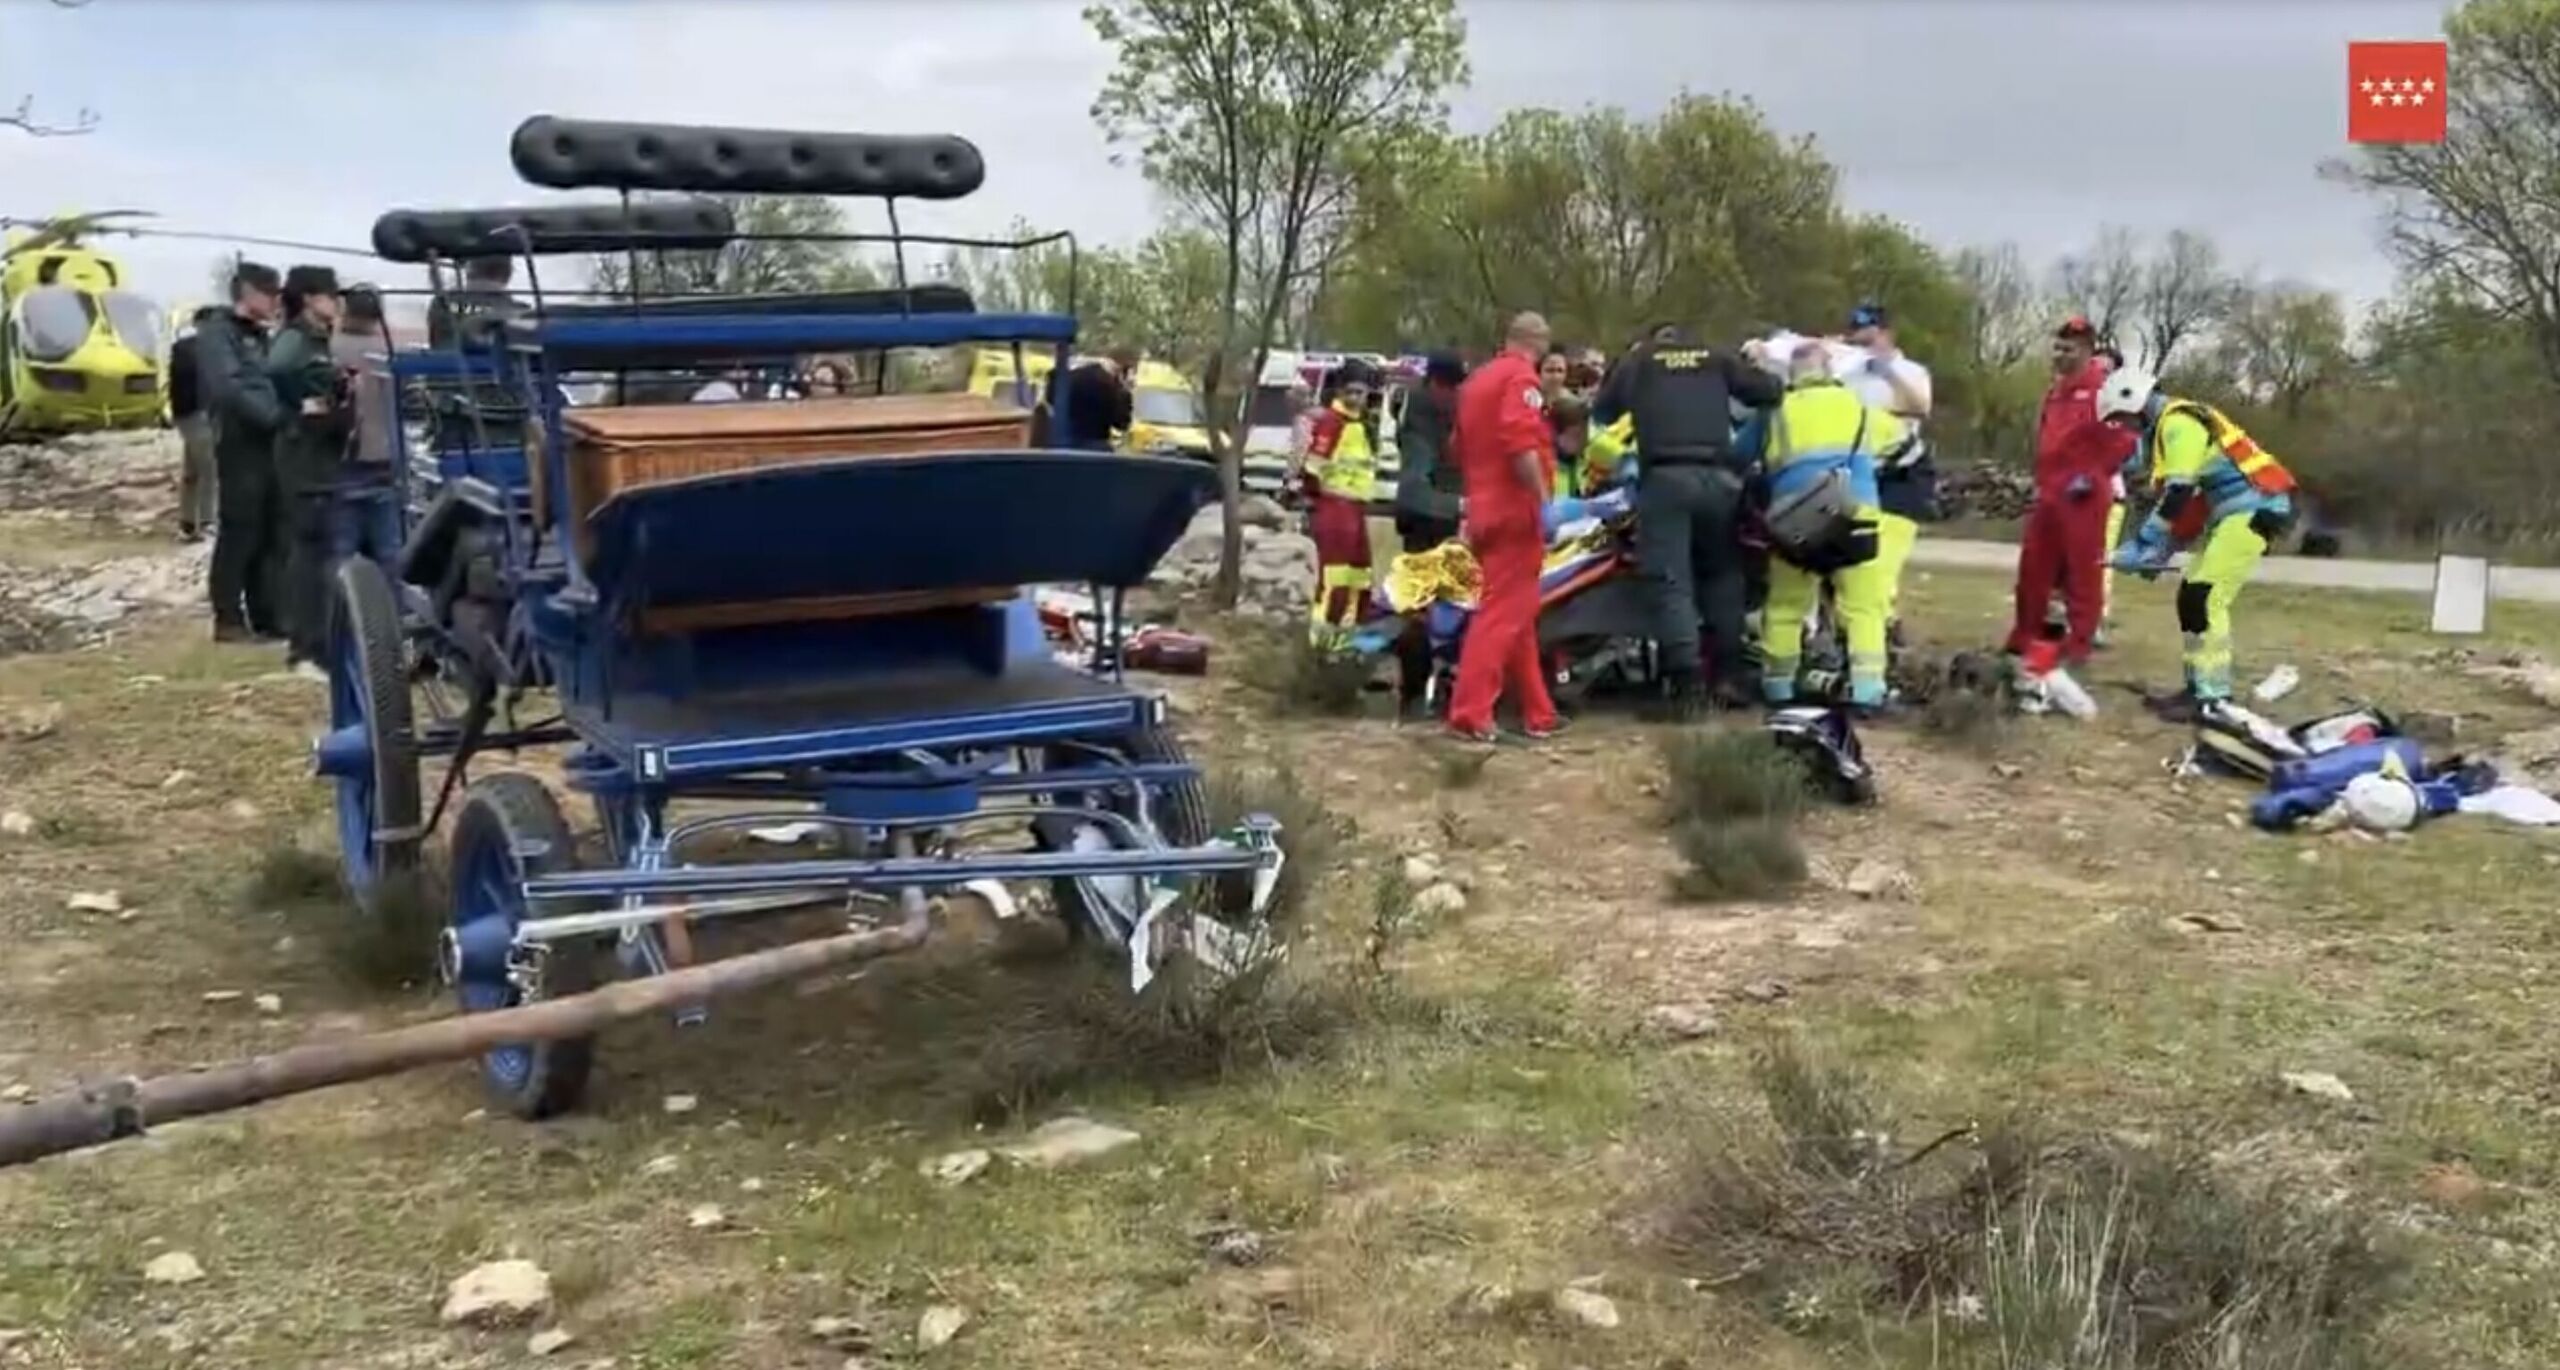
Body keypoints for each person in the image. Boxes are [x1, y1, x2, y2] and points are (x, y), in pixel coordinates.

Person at [1589, 323, 1785, 718]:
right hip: (1719, 480)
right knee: (1722, 575)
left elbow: (1604, 409)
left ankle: (1686, 688)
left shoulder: (1640, 360)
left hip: (1666, 480)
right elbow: (1769, 392)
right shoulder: (1715, 356)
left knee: (1670, 580)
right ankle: (1729, 677)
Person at [2099, 367, 2298, 716]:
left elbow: (2179, 492)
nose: (2126, 431)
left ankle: (2213, 697)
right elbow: (2191, 509)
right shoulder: (2171, 428)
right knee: (2191, 595)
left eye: (2122, 420)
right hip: (2237, 511)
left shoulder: (2179, 424)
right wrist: (2158, 552)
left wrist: (2146, 540)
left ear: (2136, 404)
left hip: (2257, 508)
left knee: (2207, 596)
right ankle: (2197, 688)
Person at [1757, 340, 1905, 710]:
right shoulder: (1858, 406)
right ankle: (1868, 691)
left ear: (1792, 376)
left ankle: (1779, 688)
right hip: (1855, 512)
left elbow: (1746, 455)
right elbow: (1904, 445)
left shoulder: (1776, 411)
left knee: (1786, 606)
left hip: (1793, 517)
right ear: (1830, 372)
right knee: (1863, 608)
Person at [1446, 312, 1567, 743]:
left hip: (1483, 507)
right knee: (1501, 615)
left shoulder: (1476, 382)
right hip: (1516, 511)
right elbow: (1520, 444)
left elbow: (1458, 447)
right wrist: (1543, 502)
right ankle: (1470, 711)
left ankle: (1538, 710)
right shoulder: (1521, 380)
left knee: (1516, 613)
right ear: (1539, 341)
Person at [2006, 315, 2134, 668]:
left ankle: (2078, 643)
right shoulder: (2056, 390)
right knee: (2034, 567)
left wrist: (2094, 474)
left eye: (2069, 349)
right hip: (2050, 490)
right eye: (2057, 347)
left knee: (2082, 572)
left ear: (2087, 350)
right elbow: (2047, 439)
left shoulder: (2106, 390)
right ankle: (2025, 634)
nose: (2060, 354)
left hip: (2084, 494)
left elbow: (2125, 439)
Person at [269, 265, 354, 681]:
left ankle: (323, 642)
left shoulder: (321, 339)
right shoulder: (296, 341)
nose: (335, 302)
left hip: (324, 457)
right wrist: (310, 401)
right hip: (306, 458)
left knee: (324, 552)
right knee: (309, 553)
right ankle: (305, 648)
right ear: (309, 298)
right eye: (329, 294)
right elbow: (282, 369)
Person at [196, 261, 288, 644]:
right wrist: (272, 416)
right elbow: (229, 388)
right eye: (270, 294)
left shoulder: (261, 337)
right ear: (248, 293)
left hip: (271, 446)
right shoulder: (218, 335)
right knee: (240, 529)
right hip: (239, 445)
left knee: (271, 531)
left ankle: (268, 615)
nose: (275, 302)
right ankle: (228, 618)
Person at [1839, 303, 1934, 640]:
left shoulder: (1911, 371)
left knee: (1884, 560)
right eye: (1858, 338)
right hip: (1859, 472)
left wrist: (1886, 374)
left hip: (1902, 475)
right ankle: (1877, 623)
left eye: (1871, 336)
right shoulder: (1847, 375)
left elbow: (1919, 408)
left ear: (1887, 334)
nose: (1864, 345)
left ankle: (1880, 627)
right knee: (1855, 560)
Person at [1391, 351, 1468, 715]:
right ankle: (1414, 696)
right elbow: (1414, 487)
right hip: (1427, 523)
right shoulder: (1421, 419)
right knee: (1421, 614)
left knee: (1451, 611)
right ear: (1437, 385)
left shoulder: (1440, 412)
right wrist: (1461, 507)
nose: (1458, 396)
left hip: (1445, 522)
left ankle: (1438, 690)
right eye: (1453, 387)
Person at [1299, 358, 1382, 648]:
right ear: (1340, 391)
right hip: (1334, 507)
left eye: (1361, 392)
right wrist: (1312, 501)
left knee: (1360, 576)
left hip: (1357, 510)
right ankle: (1321, 641)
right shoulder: (1332, 423)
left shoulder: (1362, 425)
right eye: (1351, 392)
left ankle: (1347, 639)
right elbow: (1313, 468)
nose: (1357, 398)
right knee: (1334, 575)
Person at [329, 284, 403, 571]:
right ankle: (390, 614)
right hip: (386, 460)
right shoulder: (391, 353)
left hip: (341, 461)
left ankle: (345, 614)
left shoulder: (327, 349)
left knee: (342, 554)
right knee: (390, 554)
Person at [169, 308, 220, 542]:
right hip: (197, 413)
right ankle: (208, 521)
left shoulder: (185, 347)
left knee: (192, 470)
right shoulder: (197, 349)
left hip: (188, 414)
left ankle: (188, 522)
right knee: (208, 468)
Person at [426, 256, 524, 350]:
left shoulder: (443, 304)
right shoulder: (520, 310)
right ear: (508, 273)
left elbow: (435, 339)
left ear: (470, 270)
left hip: (446, 362)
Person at [1062, 347, 1137, 451]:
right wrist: (1125, 391)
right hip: (1096, 445)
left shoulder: (1075, 375)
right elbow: (1122, 423)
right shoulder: (1113, 386)